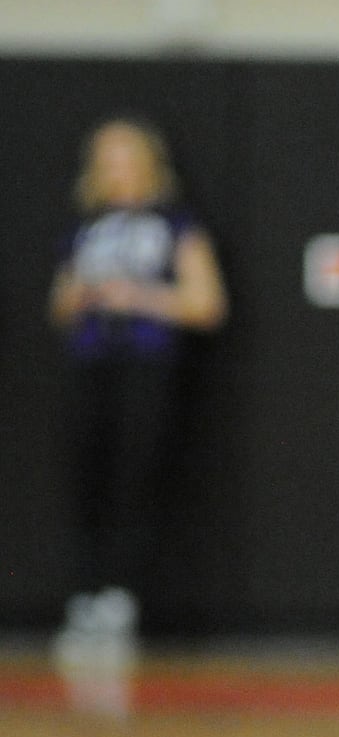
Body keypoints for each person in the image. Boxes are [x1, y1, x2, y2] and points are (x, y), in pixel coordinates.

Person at [48, 117, 228, 684]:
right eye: (107, 160)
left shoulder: (176, 224)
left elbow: (206, 303)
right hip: (91, 366)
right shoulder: (88, 227)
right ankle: (85, 594)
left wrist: (139, 297)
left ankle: (122, 598)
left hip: (147, 369)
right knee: (85, 477)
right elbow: (59, 305)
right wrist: (81, 296)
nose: (117, 171)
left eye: (127, 158)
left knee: (136, 476)